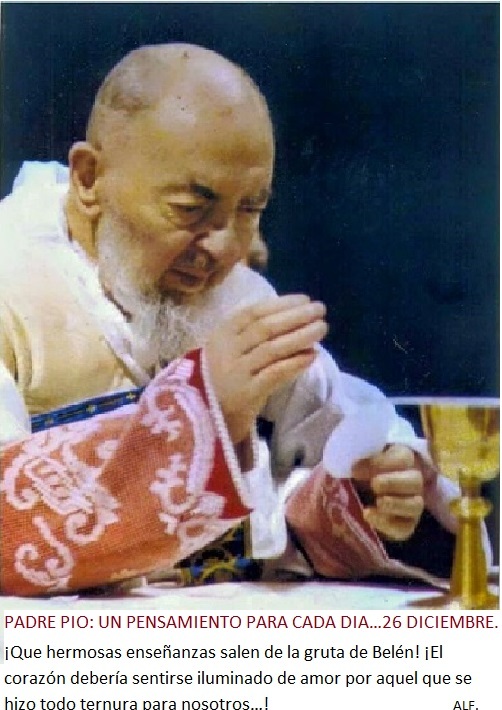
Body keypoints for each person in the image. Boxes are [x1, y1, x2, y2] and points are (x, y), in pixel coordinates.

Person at [0, 44, 474, 596]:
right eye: (190, 209)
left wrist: (369, 492)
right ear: (89, 179)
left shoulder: (236, 298)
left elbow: (322, 462)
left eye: (249, 210)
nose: (226, 249)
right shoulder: (14, 284)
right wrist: (202, 415)